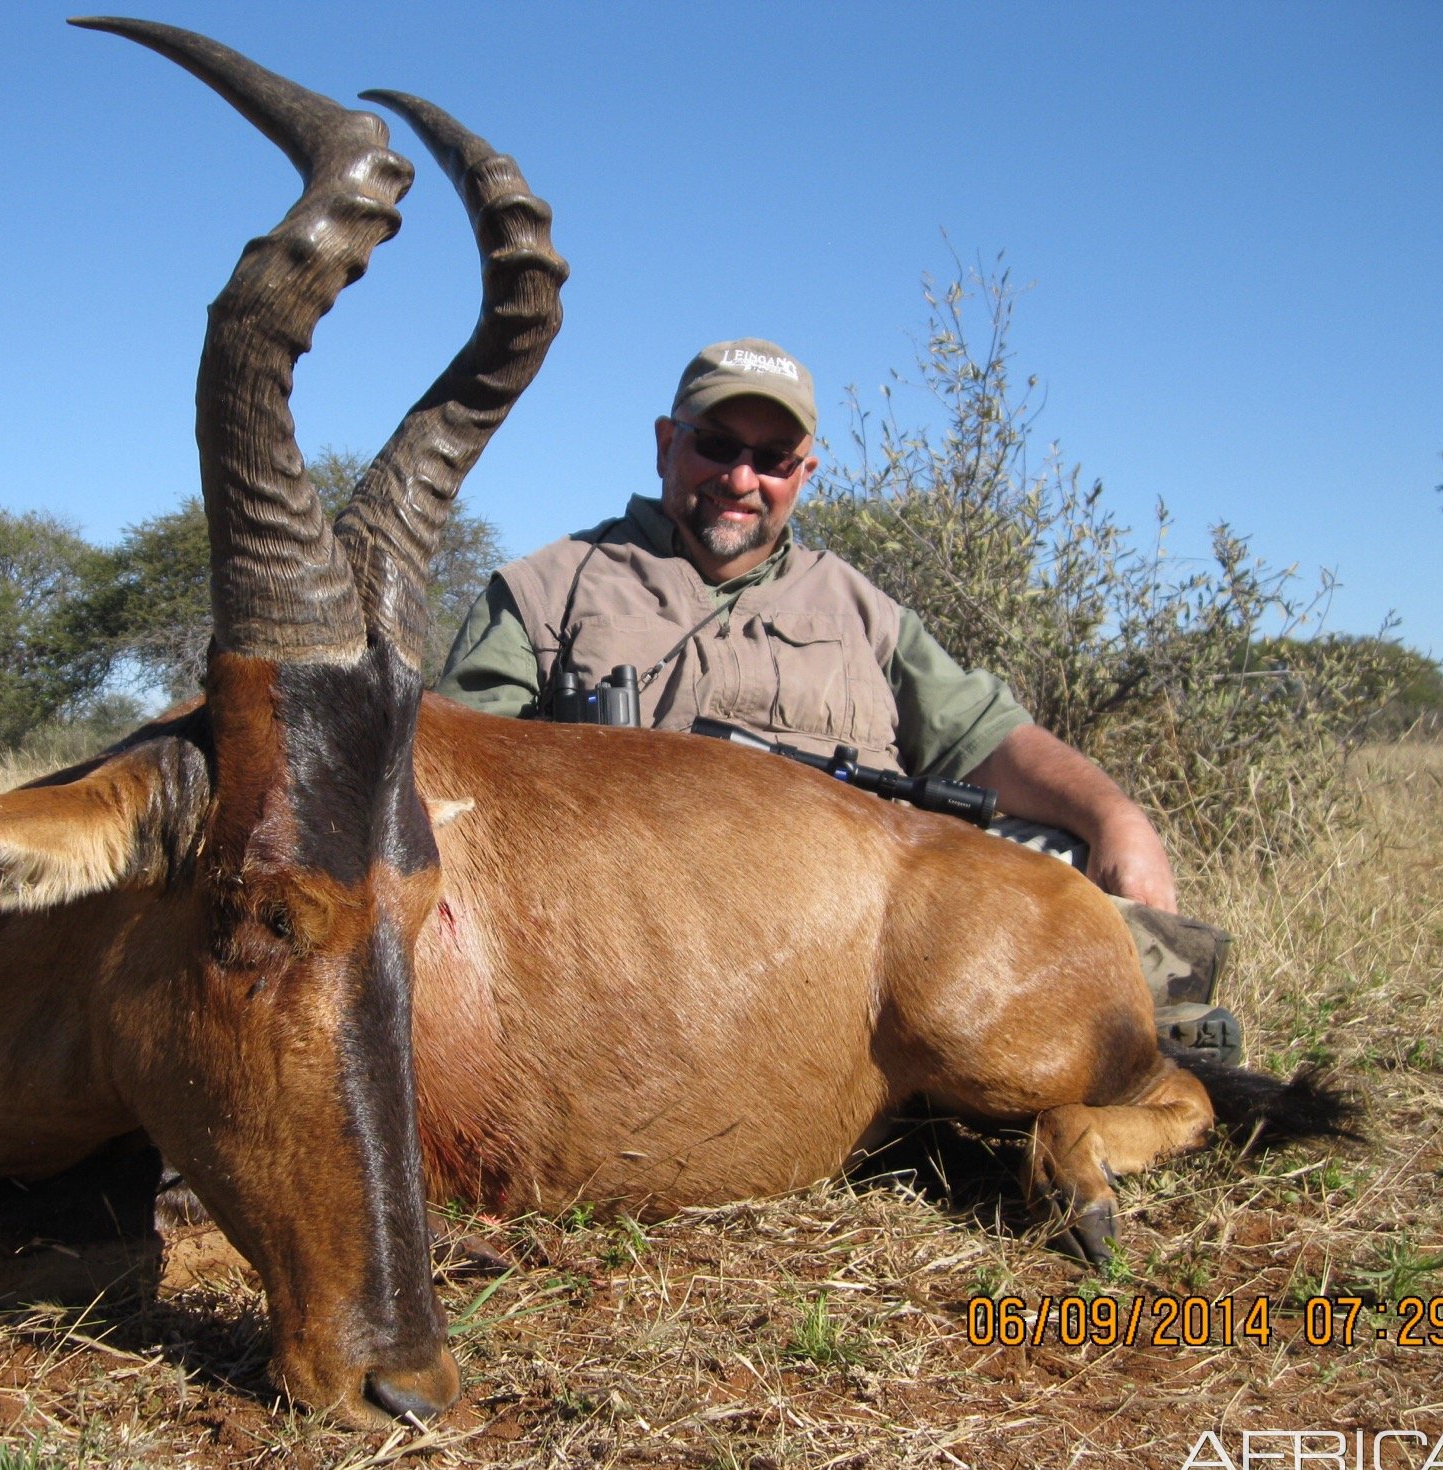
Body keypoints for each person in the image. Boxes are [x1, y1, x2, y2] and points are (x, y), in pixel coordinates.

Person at [436, 338, 1241, 1062]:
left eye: (774, 459)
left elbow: (988, 738)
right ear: (663, 445)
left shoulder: (863, 610)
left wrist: (1116, 818)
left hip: (848, 935)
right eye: (715, 446)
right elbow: (455, 789)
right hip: (646, 944)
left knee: (1056, 872)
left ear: (805, 473)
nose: (741, 480)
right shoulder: (544, 590)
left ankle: (1144, 1031)